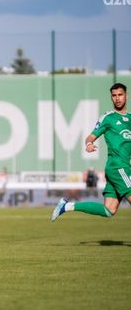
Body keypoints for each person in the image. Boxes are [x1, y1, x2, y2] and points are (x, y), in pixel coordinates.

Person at [52, 83, 131, 221]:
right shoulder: (108, 118)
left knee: (109, 210)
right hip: (117, 167)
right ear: (111, 98)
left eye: (120, 95)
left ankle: (67, 206)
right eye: (114, 95)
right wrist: (89, 144)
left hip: (124, 166)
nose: (117, 98)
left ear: (126, 96)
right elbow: (90, 137)